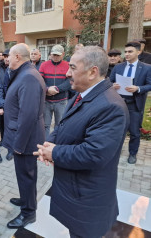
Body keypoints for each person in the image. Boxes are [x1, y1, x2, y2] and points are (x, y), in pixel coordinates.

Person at [35, 46, 129, 238]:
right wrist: (48, 145)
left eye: (72, 67)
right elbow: (64, 125)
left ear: (92, 71)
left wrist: (54, 153)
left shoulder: (111, 107)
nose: (67, 73)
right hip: (75, 191)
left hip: (87, 200)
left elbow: (93, 154)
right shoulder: (82, 93)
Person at [3, 43, 46, 229]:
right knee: (24, 176)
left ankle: (29, 213)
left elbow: (28, 115)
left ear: (18, 57)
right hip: (22, 137)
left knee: (27, 176)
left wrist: (18, 146)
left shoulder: (28, 77)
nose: (7, 59)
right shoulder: (24, 73)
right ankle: (25, 199)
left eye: (9, 56)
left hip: (25, 140)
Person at [110, 41, 151, 164]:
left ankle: (133, 153)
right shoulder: (118, 67)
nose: (126, 54)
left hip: (134, 104)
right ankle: (115, 152)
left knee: (134, 131)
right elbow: (109, 82)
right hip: (119, 103)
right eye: (126, 51)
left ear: (138, 52)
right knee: (117, 130)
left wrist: (138, 88)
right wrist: (113, 85)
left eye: (130, 52)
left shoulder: (146, 68)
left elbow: (150, 85)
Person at [39, 44, 70, 138]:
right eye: (54, 55)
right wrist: (47, 89)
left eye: (58, 55)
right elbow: (40, 80)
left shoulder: (68, 65)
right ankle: (45, 145)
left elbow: (70, 81)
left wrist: (57, 89)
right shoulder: (44, 65)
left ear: (63, 54)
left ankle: (56, 146)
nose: (55, 57)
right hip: (47, 101)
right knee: (45, 125)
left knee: (59, 125)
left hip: (61, 101)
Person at [0, 49, 13, 160]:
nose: (7, 58)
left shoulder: (15, 69)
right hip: (3, 102)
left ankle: (12, 149)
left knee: (12, 126)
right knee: (3, 123)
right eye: (5, 56)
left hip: (13, 102)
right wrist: (1, 104)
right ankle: (4, 141)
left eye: (9, 56)